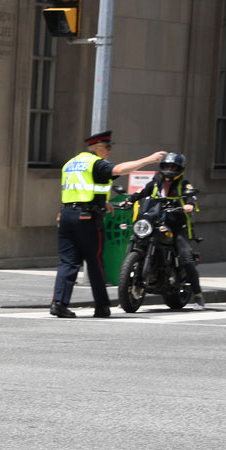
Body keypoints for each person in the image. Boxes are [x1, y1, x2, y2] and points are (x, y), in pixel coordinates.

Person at [50, 131, 165, 318]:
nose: (109, 151)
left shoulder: (70, 164)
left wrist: (101, 202)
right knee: (95, 262)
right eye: (107, 147)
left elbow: (80, 189)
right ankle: (102, 306)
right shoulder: (95, 163)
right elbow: (120, 170)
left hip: (66, 215)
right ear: (96, 148)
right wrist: (149, 159)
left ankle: (59, 303)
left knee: (68, 262)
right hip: (87, 219)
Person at [120, 152, 205, 309]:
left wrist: (189, 205)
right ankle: (128, 290)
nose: (169, 169)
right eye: (166, 166)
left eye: (173, 167)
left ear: (180, 169)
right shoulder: (155, 182)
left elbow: (191, 196)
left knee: (186, 256)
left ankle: (198, 296)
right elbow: (141, 192)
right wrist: (128, 201)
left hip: (176, 225)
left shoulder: (184, 185)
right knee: (137, 241)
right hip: (154, 221)